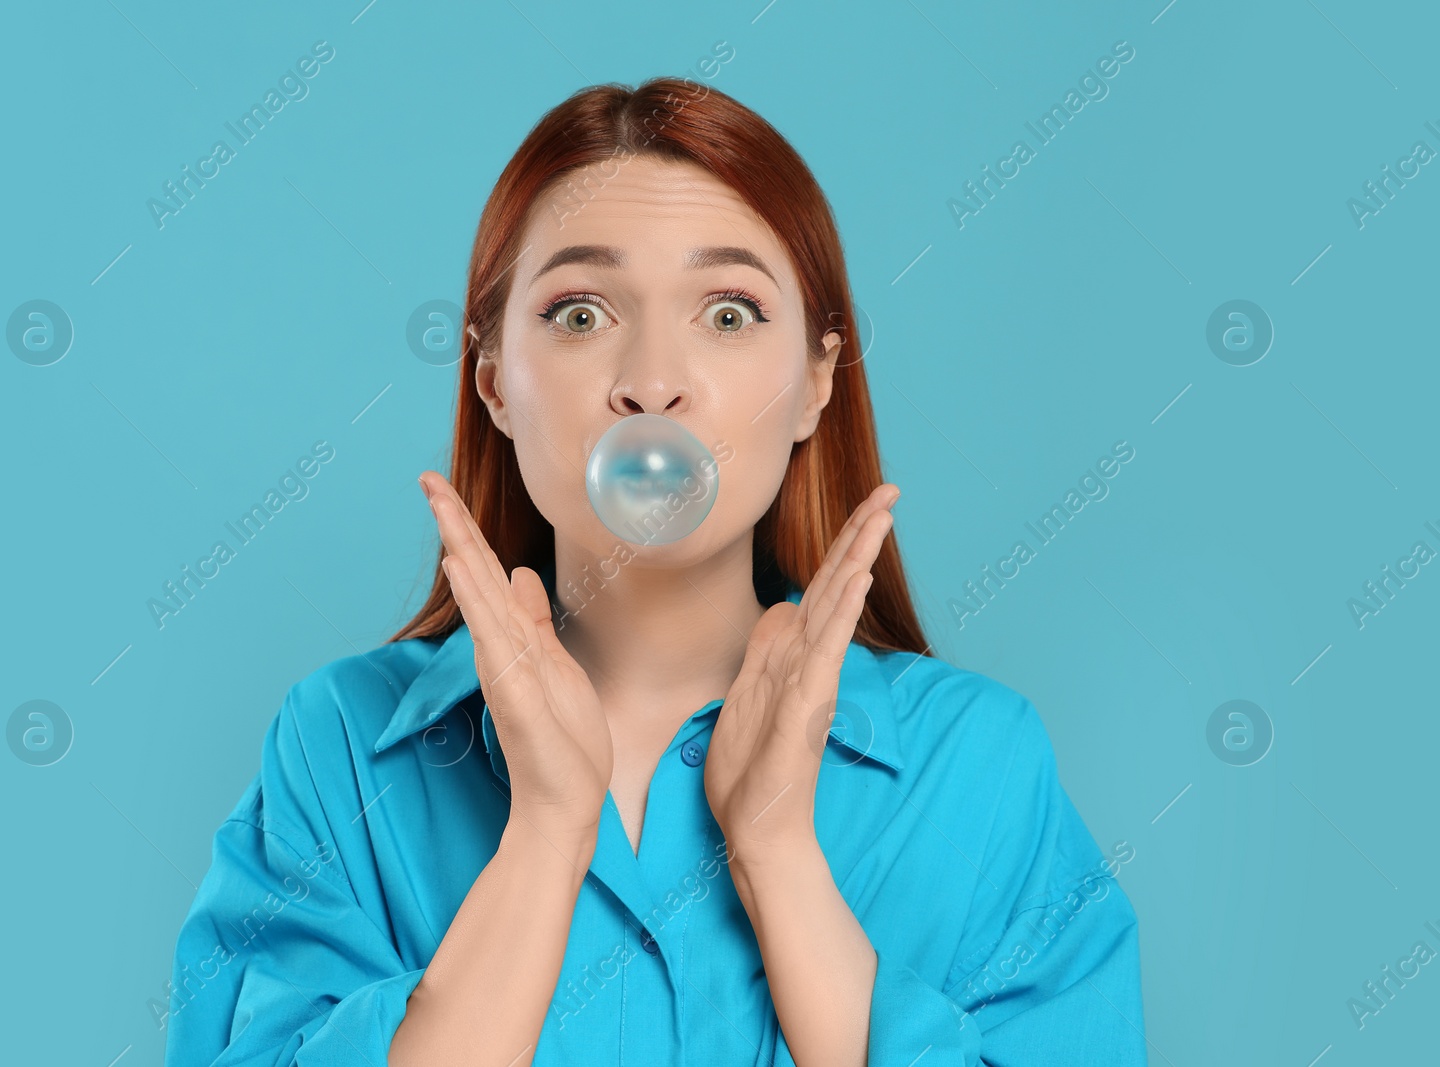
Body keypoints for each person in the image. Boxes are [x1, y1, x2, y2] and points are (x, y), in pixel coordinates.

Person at [163, 76, 1147, 1066]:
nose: (651, 381)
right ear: (495, 380)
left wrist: (779, 858)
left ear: (816, 377)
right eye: (581, 313)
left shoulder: (975, 763)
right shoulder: (338, 749)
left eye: (727, 313)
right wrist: (545, 832)